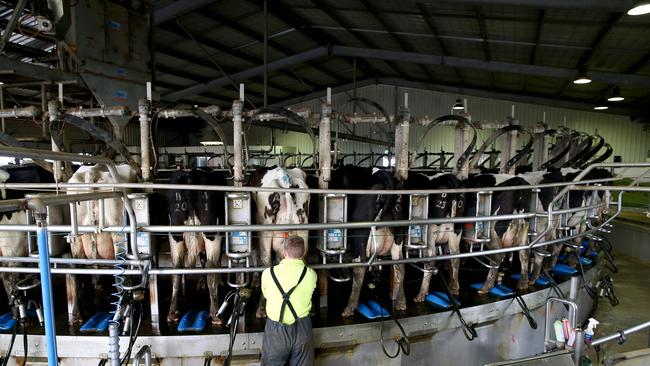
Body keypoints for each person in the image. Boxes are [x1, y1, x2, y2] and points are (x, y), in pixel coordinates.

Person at [261, 236, 317, 366]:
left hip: (275, 332)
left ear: (284, 252)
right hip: (302, 330)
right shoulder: (310, 275)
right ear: (304, 253)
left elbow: (266, 295)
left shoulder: (268, 273)